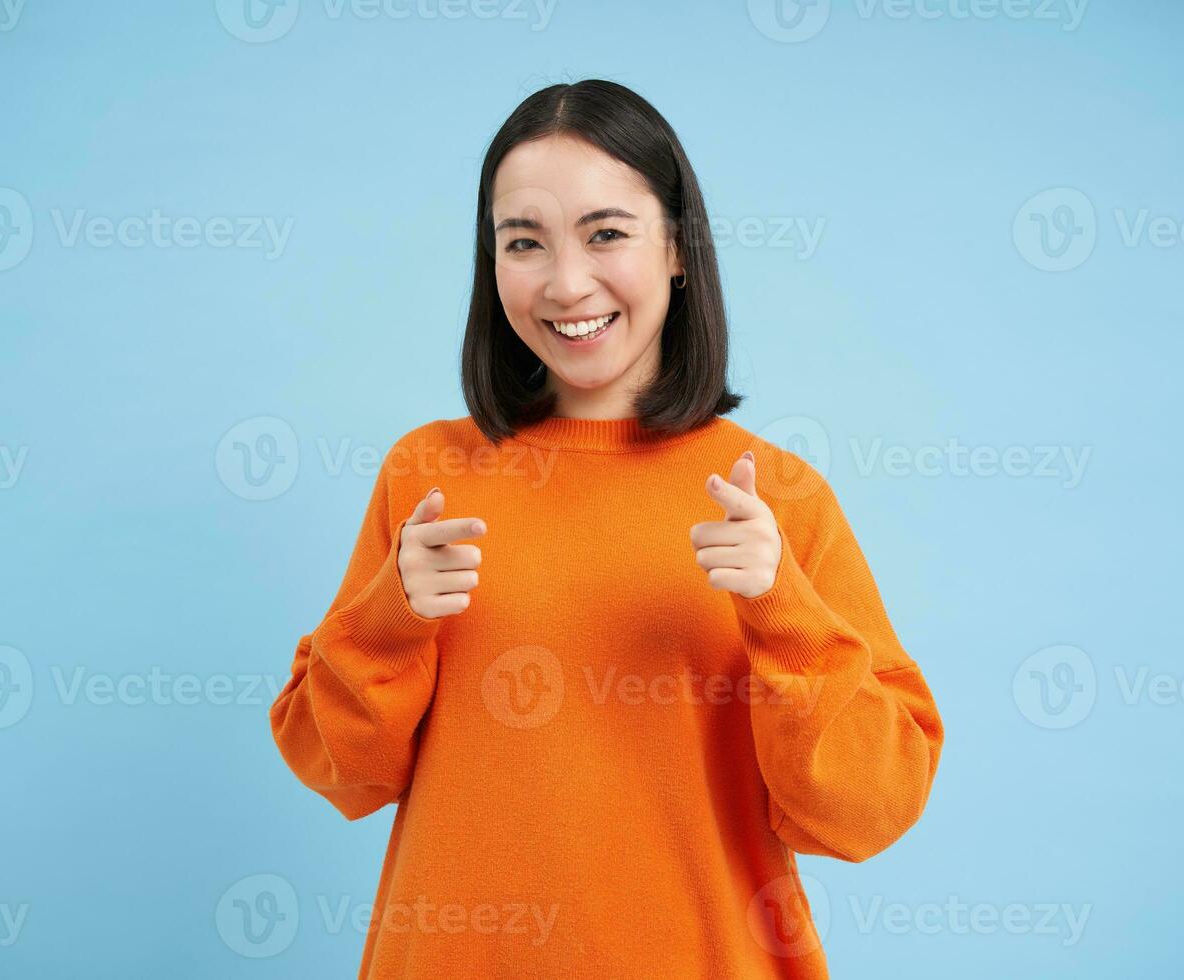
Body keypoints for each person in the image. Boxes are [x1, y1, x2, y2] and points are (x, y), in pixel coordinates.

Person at [269, 78, 944, 979]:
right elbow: (340, 771)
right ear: (491, 263)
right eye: (524, 242)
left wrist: (781, 608)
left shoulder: (776, 496)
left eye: (607, 234)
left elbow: (865, 809)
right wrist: (391, 617)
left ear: (676, 248)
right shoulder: (426, 477)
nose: (566, 281)